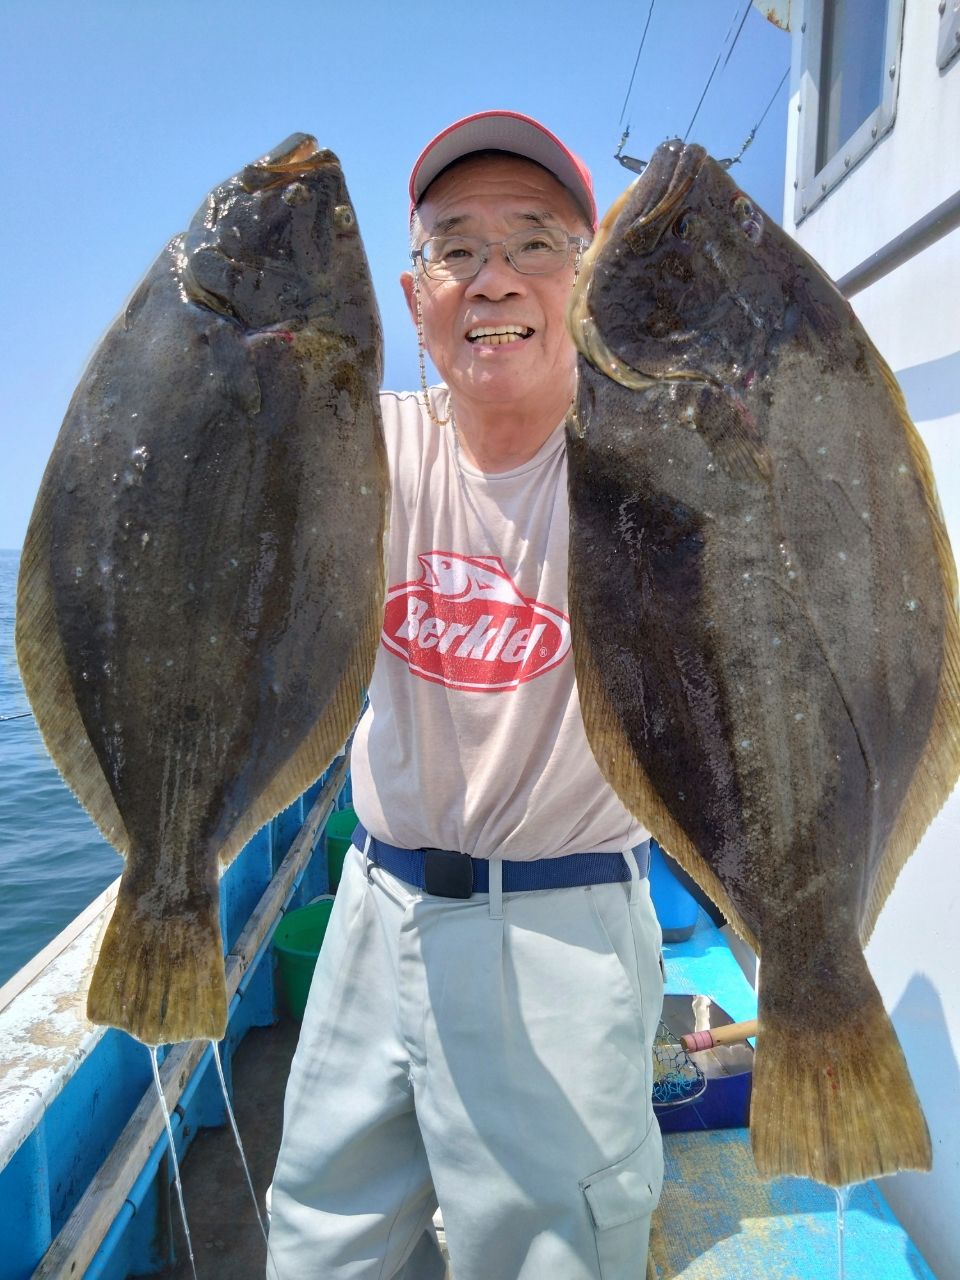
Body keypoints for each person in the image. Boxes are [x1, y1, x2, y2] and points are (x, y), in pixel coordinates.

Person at [267, 110, 665, 1280]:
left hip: (562, 921)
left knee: (552, 1256)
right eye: (456, 248)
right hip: (372, 903)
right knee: (316, 1235)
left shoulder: (654, 475)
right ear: (411, 291)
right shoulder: (362, 453)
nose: (494, 278)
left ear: (588, 280)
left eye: (537, 241)